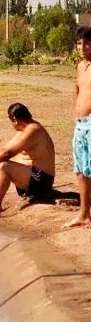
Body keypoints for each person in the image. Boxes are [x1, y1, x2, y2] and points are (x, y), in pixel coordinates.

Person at [0, 103, 55, 220]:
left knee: (4, 166)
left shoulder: (33, 130)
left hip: (41, 180)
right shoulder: (25, 128)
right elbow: (3, 149)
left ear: (15, 120)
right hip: (32, 176)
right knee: (1, 161)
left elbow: (9, 152)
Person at [65, 26, 91, 228]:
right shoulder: (80, 66)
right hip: (80, 124)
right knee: (80, 169)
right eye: (80, 43)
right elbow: (78, 90)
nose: (83, 47)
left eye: (87, 43)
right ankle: (83, 214)